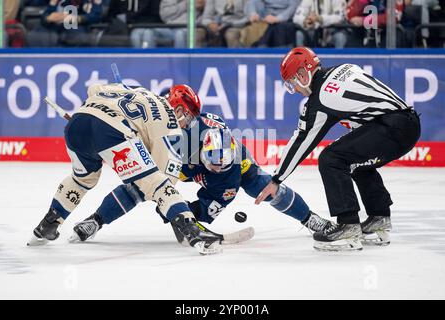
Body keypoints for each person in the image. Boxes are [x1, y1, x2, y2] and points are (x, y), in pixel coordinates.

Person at [69, 108, 334, 245]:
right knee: (139, 186)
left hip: (241, 172)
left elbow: (204, 214)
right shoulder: (185, 140)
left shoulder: (228, 177)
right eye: (213, 162)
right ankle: (95, 221)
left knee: (266, 187)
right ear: (201, 152)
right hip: (185, 164)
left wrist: (177, 213)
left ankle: (311, 219)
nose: (217, 167)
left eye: (221, 164)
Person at [256, 47, 421, 251]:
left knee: (331, 159)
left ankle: (348, 225)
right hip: (408, 124)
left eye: (292, 83)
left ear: (302, 74)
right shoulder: (346, 68)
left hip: (391, 128)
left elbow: (302, 141)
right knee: (355, 162)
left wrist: (276, 179)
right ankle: (379, 218)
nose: (295, 90)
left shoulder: (321, 98)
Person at [28, 84, 221, 255]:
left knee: (82, 179)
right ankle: (193, 231)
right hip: (113, 133)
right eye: (189, 116)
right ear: (178, 108)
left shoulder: (138, 91)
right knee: (157, 183)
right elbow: (164, 180)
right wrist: (176, 208)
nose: (188, 123)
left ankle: (48, 224)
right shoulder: (171, 124)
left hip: (77, 124)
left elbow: (94, 89)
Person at [26, 0, 103, 47]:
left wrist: (79, 18)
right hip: (54, 26)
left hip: (78, 27)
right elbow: (46, 14)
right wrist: (48, 18)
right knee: (34, 35)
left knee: (75, 35)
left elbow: (96, 16)